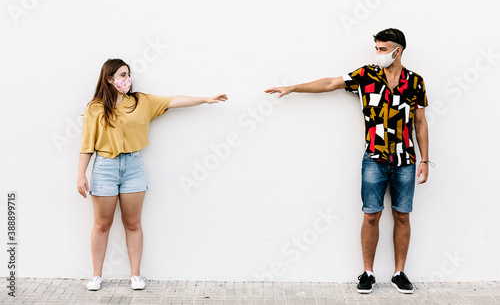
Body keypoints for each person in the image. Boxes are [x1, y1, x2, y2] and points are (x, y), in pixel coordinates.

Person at [264, 28, 429, 294]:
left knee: (402, 215)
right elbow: (330, 83)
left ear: (398, 51)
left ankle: (399, 273)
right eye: (376, 48)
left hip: (405, 159)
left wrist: (425, 159)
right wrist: (293, 87)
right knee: (371, 215)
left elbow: (420, 121)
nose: (378, 53)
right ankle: (368, 272)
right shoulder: (366, 75)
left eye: (383, 49)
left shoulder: (415, 81)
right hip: (374, 157)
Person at [77, 58, 227, 291]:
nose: (127, 79)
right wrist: (81, 175)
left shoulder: (141, 101)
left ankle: (135, 275)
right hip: (104, 167)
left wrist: (205, 99)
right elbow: (87, 144)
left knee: (133, 223)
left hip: (133, 167)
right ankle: (96, 275)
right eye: (122, 75)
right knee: (102, 224)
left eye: (128, 74)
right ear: (109, 79)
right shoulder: (95, 107)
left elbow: (174, 100)